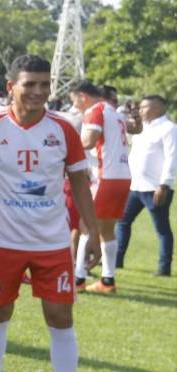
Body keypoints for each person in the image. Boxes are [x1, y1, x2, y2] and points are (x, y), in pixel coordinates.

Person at [0, 54, 98, 372]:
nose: (40, 92)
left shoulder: (63, 129)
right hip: (2, 240)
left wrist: (91, 233)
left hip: (51, 242)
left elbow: (79, 182)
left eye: (45, 84)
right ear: (11, 87)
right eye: (30, 84)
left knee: (60, 316)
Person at [71, 80, 131, 293]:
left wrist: (65, 146)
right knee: (107, 230)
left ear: (82, 96)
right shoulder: (113, 111)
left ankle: (78, 279)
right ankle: (107, 280)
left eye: (74, 101)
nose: (75, 106)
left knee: (86, 225)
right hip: (123, 177)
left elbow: (88, 141)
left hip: (104, 177)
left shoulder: (95, 110)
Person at [117, 94, 176, 276]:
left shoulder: (169, 128)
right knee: (122, 222)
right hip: (135, 186)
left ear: (157, 108)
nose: (140, 110)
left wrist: (164, 185)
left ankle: (164, 268)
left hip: (155, 188)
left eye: (144, 107)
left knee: (161, 228)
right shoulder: (142, 127)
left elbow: (172, 158)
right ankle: (116, 261)